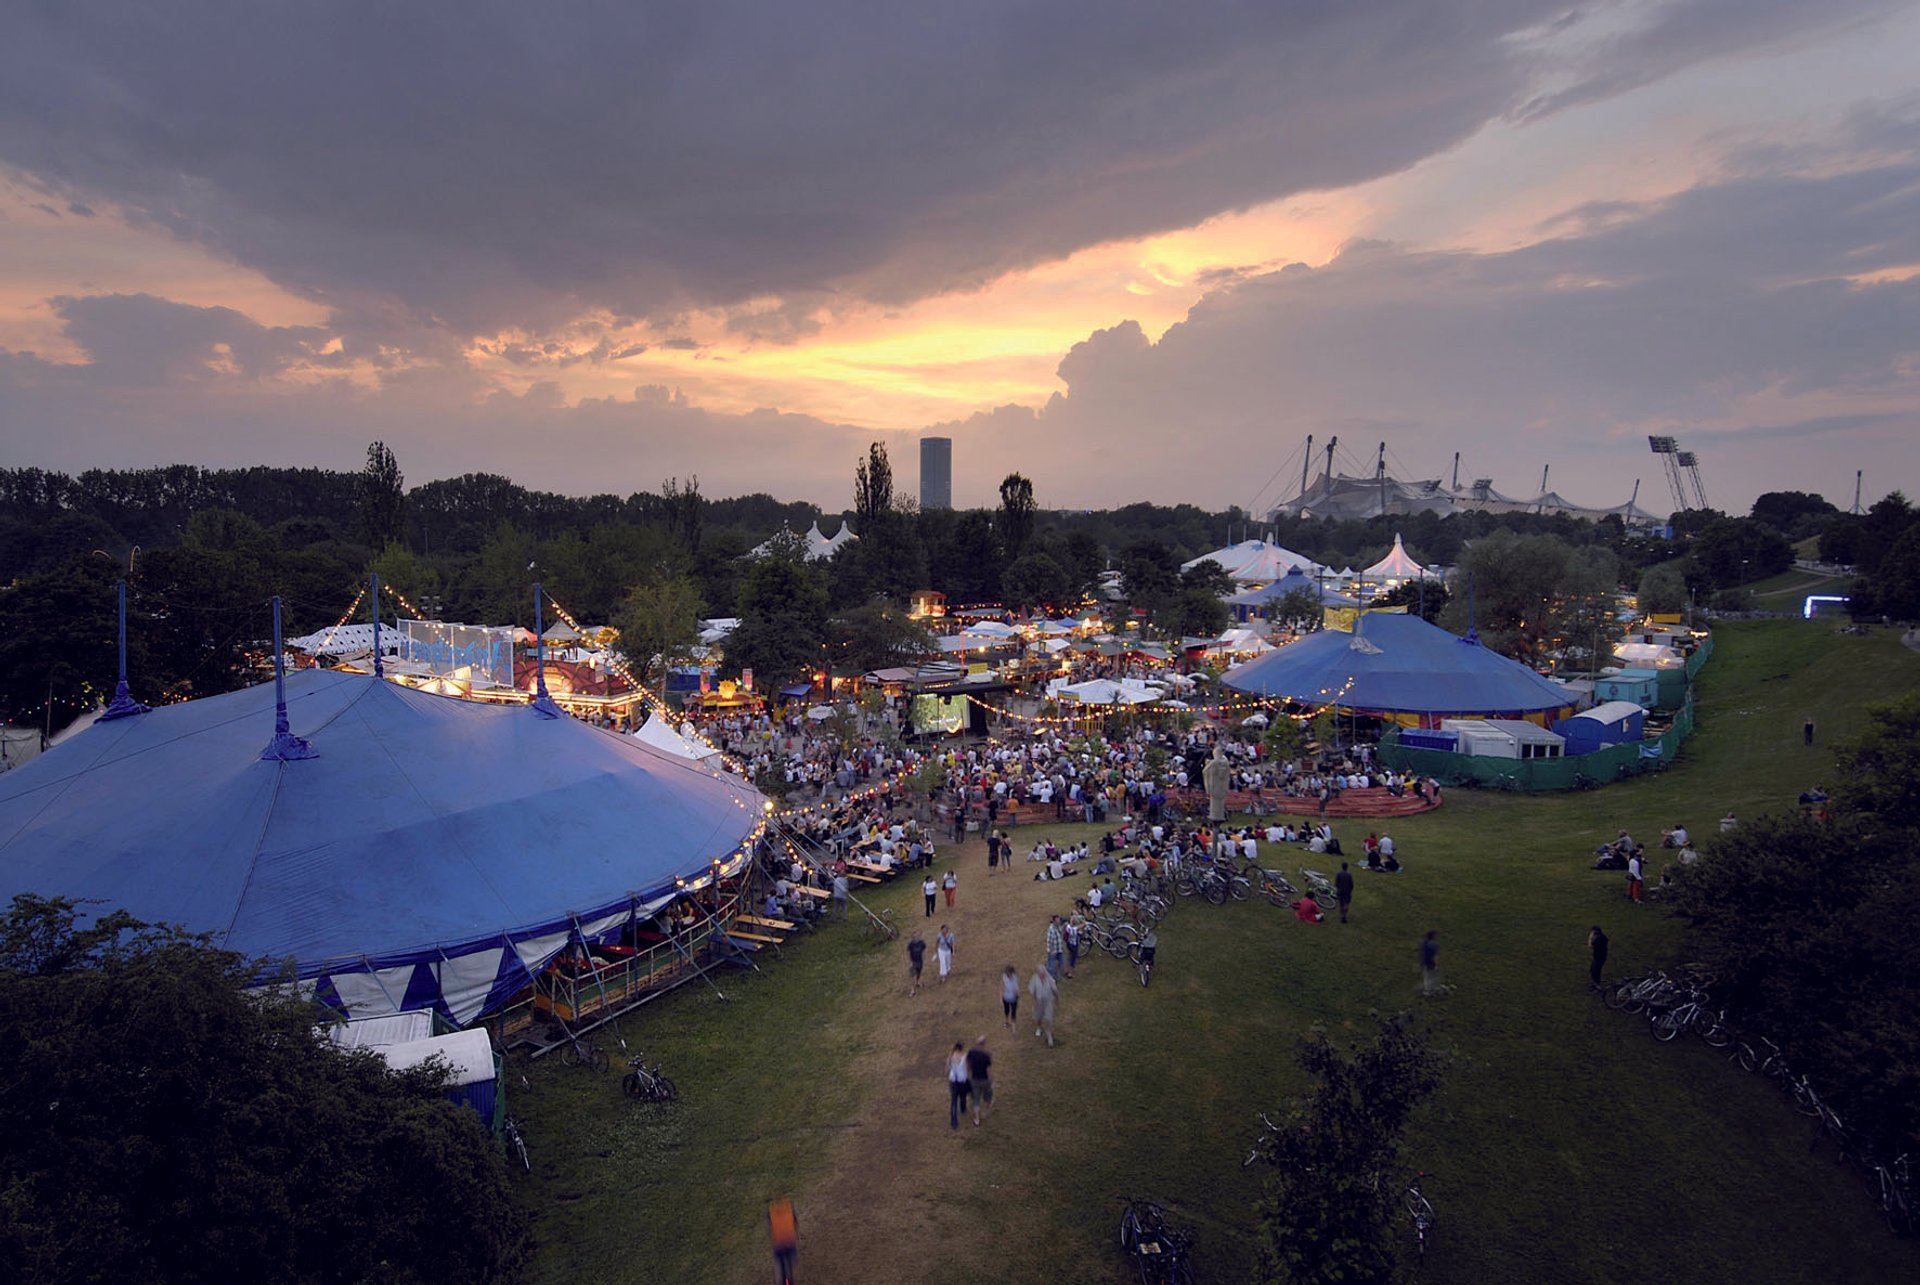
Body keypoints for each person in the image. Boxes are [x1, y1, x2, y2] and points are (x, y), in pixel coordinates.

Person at [966, 1036, 994, 1125]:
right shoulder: (986, 1056)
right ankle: (985, 1112)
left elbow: (968, 1066)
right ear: (984, 1043)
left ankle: (977, 1119)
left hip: (974, 1080)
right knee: (988, 1098)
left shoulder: (971, 1052)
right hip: (985, 1080)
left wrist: (968, 1075)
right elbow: (988, 1070)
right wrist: (992, 1080)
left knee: (976, 1101)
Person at [1029, 964, 1059, 1046]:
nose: (1042, 976)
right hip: (1038, 1001)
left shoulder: (1050, 979)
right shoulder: (1034, 979)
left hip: (1048, 1001)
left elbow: (1055, 990)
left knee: (1049, 1017)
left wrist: (1057, 1000)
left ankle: (1049, 1034)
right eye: (1040, 974)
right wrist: (1034, 1002)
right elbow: (1032, 991)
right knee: (1038, 1016)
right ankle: (1039, 1027)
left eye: (1043, 974)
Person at [946, 1041, 970, 1130]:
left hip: (953, 1080)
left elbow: (947, 1068)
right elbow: (967, 1068)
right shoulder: (965, 1056)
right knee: (963, 1096)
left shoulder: (951, 1056)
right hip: (962, 1080)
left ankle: (954, 1122)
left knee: (953, 1101)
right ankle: (963, 1109)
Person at [1589, 925, 1609, 990]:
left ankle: (1597, 985)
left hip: (1599, 958)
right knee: (1593, 970)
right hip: (1600, 957)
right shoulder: (1603, 938)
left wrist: (1591, 938)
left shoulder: (1599, 939)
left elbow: (1590, 945)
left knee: (1595, 971)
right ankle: (1595, 983)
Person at [1421, 929, 1440, 996]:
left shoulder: (1424, 943)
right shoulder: (1434, 944)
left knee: (1427, 977)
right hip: (1431, 963)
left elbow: (1422, 953)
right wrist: (1436, 964)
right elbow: (1434, 955)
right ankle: (1431, 990)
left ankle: (1429, 990)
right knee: (1432, 977)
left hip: (1425, 962)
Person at [1045, 915, 1065, 980]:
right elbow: (1049, 941)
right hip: (1053, 951)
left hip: (1059, 949)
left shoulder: (1059, 927)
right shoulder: (1051, 929)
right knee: (1051, 965)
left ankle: (1057, 975)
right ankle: (1050, 979)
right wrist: (1052, 950)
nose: (1059, 921)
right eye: (1057, 920)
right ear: (1054, 921)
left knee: (1061, 963)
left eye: (1059, 920)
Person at [907, 931, 926, 996]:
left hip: (920, 961)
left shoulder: (921, 943)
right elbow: (909, 953)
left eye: (917, 936)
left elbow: (923, 951)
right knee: (912, 975)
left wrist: (923, 959)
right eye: (914, 936)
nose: (916, 937)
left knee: (919, 973)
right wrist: (910, 962)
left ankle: (917, 982)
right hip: (914, 962)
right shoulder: (911, 944)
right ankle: (912, 990)